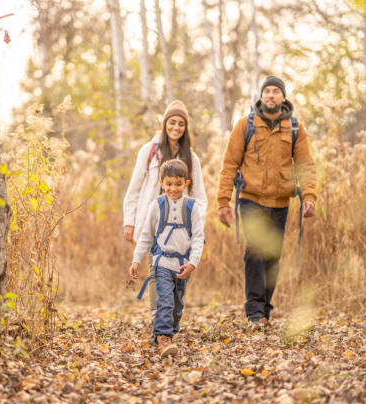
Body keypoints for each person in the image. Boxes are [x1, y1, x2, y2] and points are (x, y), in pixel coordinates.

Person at [216, 76, 317, 330]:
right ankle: (254, 312)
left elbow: (306, 166)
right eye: (267, 91)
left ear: (283, 97)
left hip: (281, 202)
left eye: (275, 91)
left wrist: (309, 197)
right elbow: (229, 165)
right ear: (261, 97)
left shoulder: (295, 128)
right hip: (251, 199)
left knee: (272, 256)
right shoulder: (245, 125)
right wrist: (223, 201)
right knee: (254, 251)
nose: (271, 95)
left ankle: (264, 311)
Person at [123, 100, 207, 316]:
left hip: (180, 226)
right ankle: (157, 315)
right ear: (165, 123)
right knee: (155, 268)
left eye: (181, 123)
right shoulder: (149, 151)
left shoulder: (191, 157)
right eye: (172, 122)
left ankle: (169, 313)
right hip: (151, 221)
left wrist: (198, 223)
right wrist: (129, 222)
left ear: (185, 127)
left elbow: (200, 196)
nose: (176, 127)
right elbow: (134, 188)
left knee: (176, 274)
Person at [129, 159, 205, 358]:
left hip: (182, 266)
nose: (173, 188)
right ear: (162, 183)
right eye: (169, 184)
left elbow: (198, 238)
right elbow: (146, 235)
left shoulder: (192, 207)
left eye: (178, 184)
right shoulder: (157, 206)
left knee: (177, 305)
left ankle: (169, 332)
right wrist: (136, 260)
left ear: (186, 184)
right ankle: (163, 338)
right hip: (161, 262)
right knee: (165, 301)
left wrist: (192, 263)